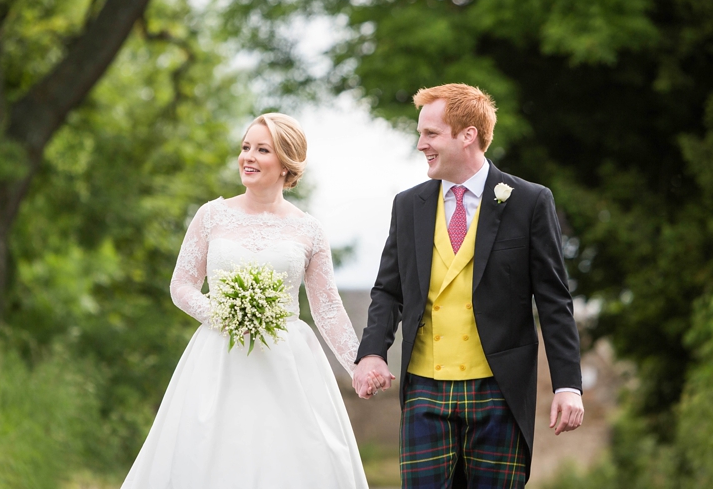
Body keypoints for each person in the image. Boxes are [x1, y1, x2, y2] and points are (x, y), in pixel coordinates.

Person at [120, 113, 377, 489]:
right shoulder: (212, 215)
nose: (248, 157)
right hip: (218, 356)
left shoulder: (309, 229)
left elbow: (327, 308)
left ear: (286, 162)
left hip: (287, 361)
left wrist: (358, 365)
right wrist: (224, 313)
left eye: (262, 149)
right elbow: (182, 285)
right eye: (245, 148)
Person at [352, 84, 584, 488]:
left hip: (500, 390)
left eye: (430, 134)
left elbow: (553, 300)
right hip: (425, 388)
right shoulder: (408, 205)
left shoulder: (529, 201)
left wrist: (568, 385)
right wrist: (372, 353)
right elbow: (389, 291)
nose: (420, 144)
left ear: (468, 135)